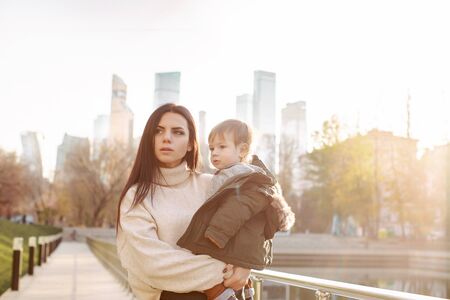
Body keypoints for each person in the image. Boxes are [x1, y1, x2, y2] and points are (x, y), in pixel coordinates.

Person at [116, 104, 251, 300]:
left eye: (178, 132)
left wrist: (245, 264)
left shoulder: (212, 185)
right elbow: (152, 263)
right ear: (149, 140)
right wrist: (220, 273)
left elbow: (256, 216)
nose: (167, 138)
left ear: (189, 143)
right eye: (158, 131)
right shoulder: (136, 196)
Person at [177, 119, 295, 300]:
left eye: (222, 147)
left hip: (231, 241)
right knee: (225, 270)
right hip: (235, 242)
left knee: (214, 272)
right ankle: (246, 291)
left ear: (242, 150)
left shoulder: (242, 177)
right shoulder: (231, 174)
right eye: (211, 148)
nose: (215, 153)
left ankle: (224, 295)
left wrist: (216, 234)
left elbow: (238, 208)